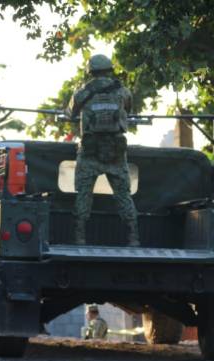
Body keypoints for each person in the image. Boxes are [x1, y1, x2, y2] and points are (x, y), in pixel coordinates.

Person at [67, 54, 139, 246]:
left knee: (83, 194)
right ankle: (133, 238)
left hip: (90, 151)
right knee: (123, 194)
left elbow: (70, 113)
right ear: (109, 69)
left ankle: (80, 238)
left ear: (90, 71)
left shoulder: (82, 93)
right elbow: (129, 110)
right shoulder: (123, 92)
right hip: (116, 152)